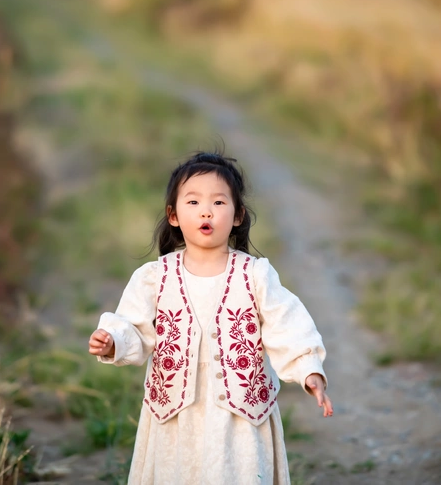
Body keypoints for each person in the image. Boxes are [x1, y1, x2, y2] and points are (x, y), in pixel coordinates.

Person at [88, 150, 333, 484]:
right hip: (175, 421)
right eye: (193, 202)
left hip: (241, 424)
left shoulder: (255, 275)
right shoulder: (155, 277)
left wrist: (308, 370)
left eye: (218, 203)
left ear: (237, 215)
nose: (206, 211)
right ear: (173, 216)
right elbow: (133, 326)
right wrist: (112, 341)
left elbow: (286, 324)